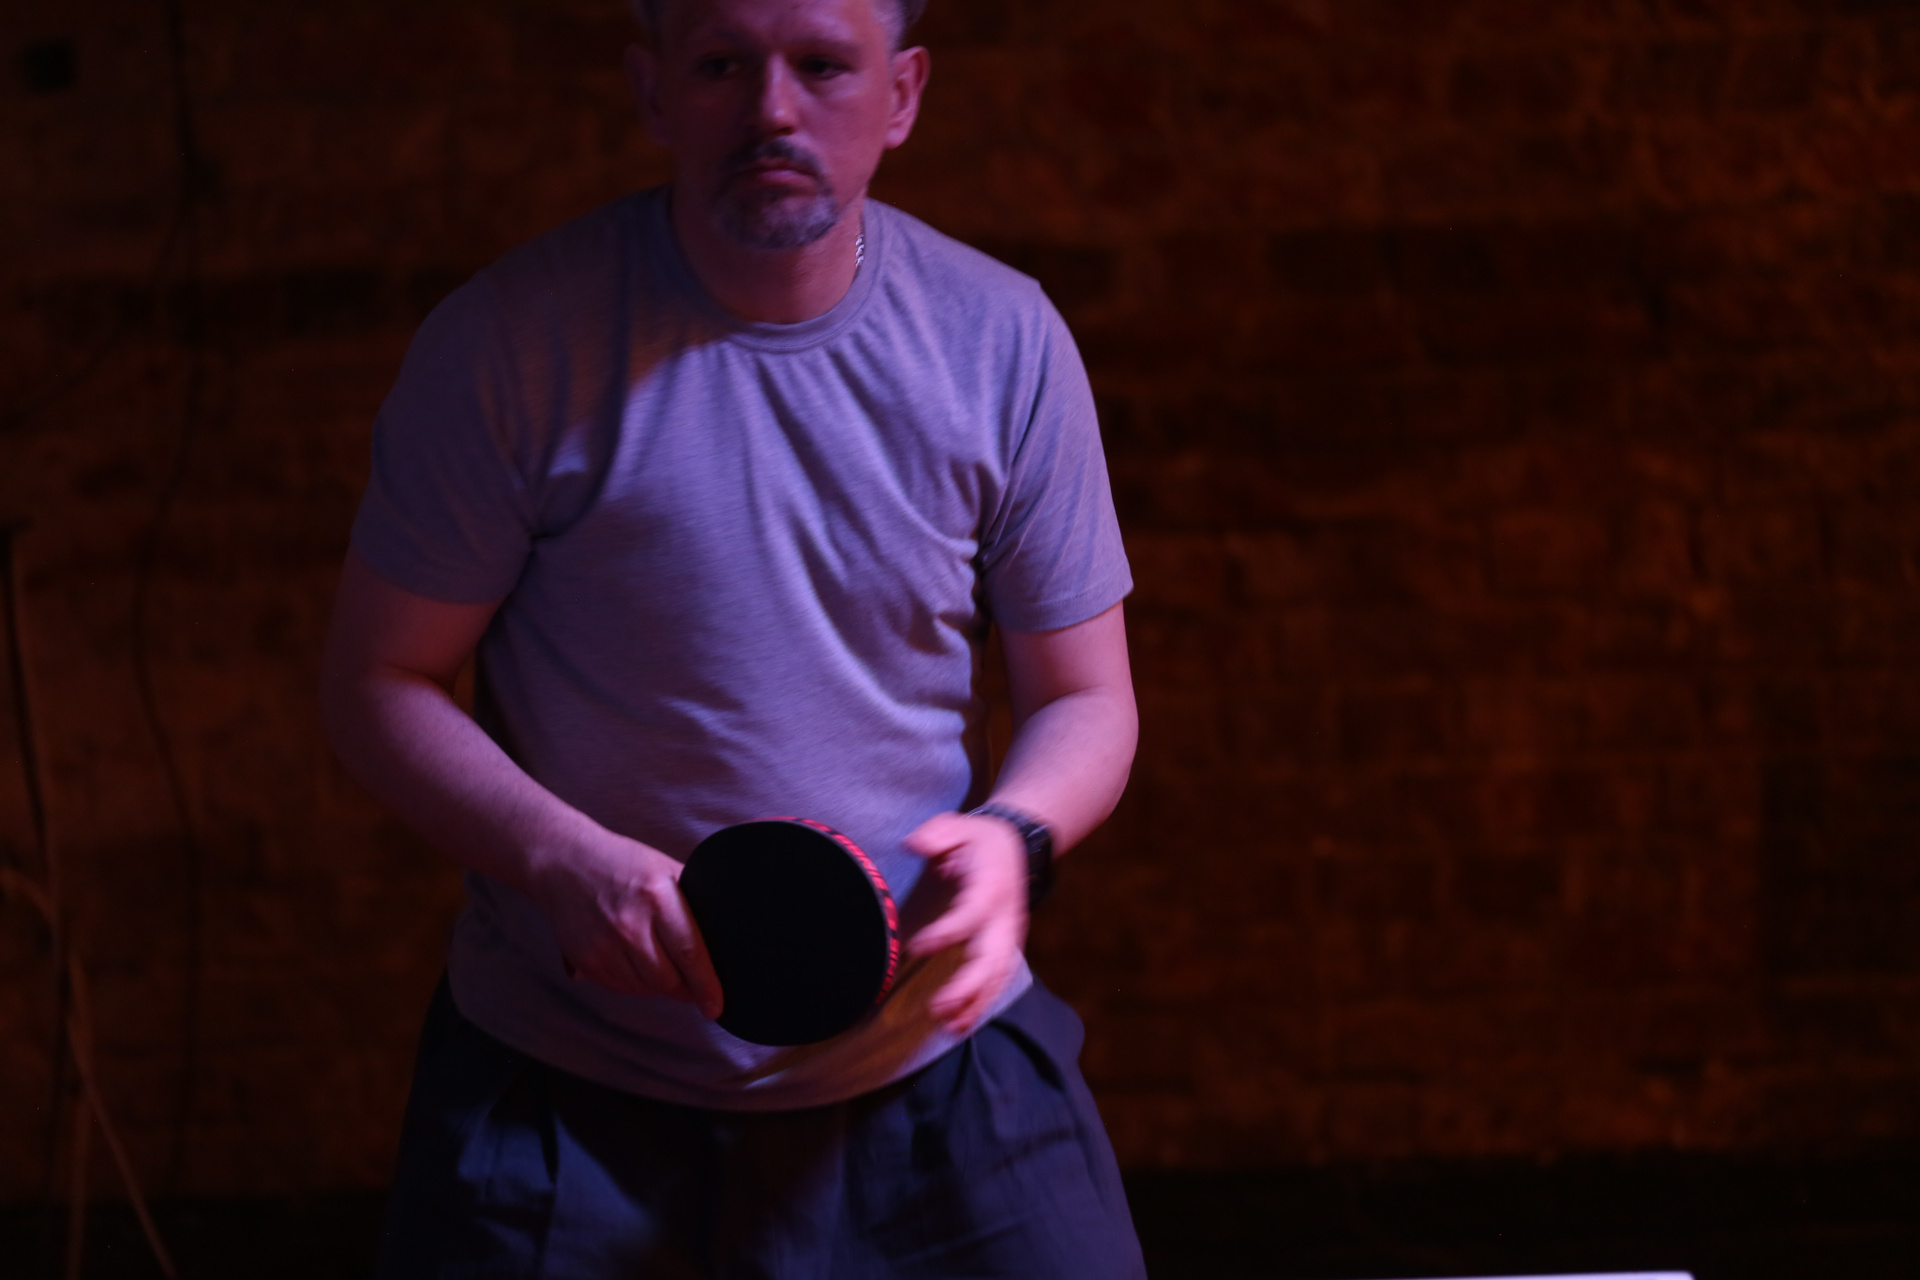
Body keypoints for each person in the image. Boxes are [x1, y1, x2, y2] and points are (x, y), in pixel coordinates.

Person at [318, 0, 1145, 1273]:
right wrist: (556, 856)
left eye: (822, 64)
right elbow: (379, 679)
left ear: (903, 94)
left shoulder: (1005, 340)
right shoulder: (507, 344)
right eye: (720, 65)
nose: (772, 109)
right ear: (653, 91)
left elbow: (1086, 699)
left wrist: (1016, 837)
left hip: (937, 1063)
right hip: (571, 1087)